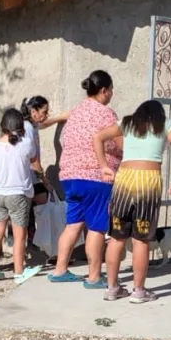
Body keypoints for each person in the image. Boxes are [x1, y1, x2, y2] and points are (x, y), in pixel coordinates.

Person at [94, 100, 171, 302]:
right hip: (149, 181)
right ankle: (139, 291)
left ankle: (112, 288)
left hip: (124, 180)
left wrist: (104, 166)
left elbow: (98, 137)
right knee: (141, 239)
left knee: (117, 237)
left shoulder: (127, 123)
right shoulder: (165, 124)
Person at [48, 70, 119, 288]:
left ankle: (60, 270)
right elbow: (117, 143)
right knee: (96, 227)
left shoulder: (76, 112)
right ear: (104, 90)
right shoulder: (106, 114)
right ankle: (95, 276)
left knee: (73, 225)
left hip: (70, 177)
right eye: (111, 90)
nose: (112, 94)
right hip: (95, 177)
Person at [0, 109, 43, 285]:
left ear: (3, 126)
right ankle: (19, 272)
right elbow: (36, 166)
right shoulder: (27, 144)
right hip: (19, 194)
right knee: (19, 235)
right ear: (21, 126)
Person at [18, 96, 68, 249]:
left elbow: (44, 124)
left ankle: (43, 246)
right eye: (44, 111)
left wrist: (61, 118)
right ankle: (38, 246)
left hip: (33, 178)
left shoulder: (31, 125)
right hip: (29, 177)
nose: (46, 115)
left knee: (42, 210)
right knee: (30, 215)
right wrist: (45, 180)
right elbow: (32, 159)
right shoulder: (27, 128)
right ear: (33, 111)